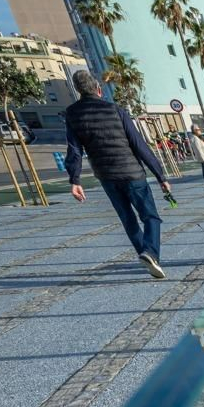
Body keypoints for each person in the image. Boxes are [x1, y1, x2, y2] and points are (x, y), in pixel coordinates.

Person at [64, 70, 172, 279]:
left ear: (78, 91)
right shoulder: (116, 110)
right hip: (132, 174)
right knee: (151, 217)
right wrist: (161, 176)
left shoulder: (72, 114)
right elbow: (138, 145)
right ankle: (150, 253)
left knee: (128, 219)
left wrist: (74, 180)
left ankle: (147, 255)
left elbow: (74, 149)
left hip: (107, 177)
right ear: (98, 89)